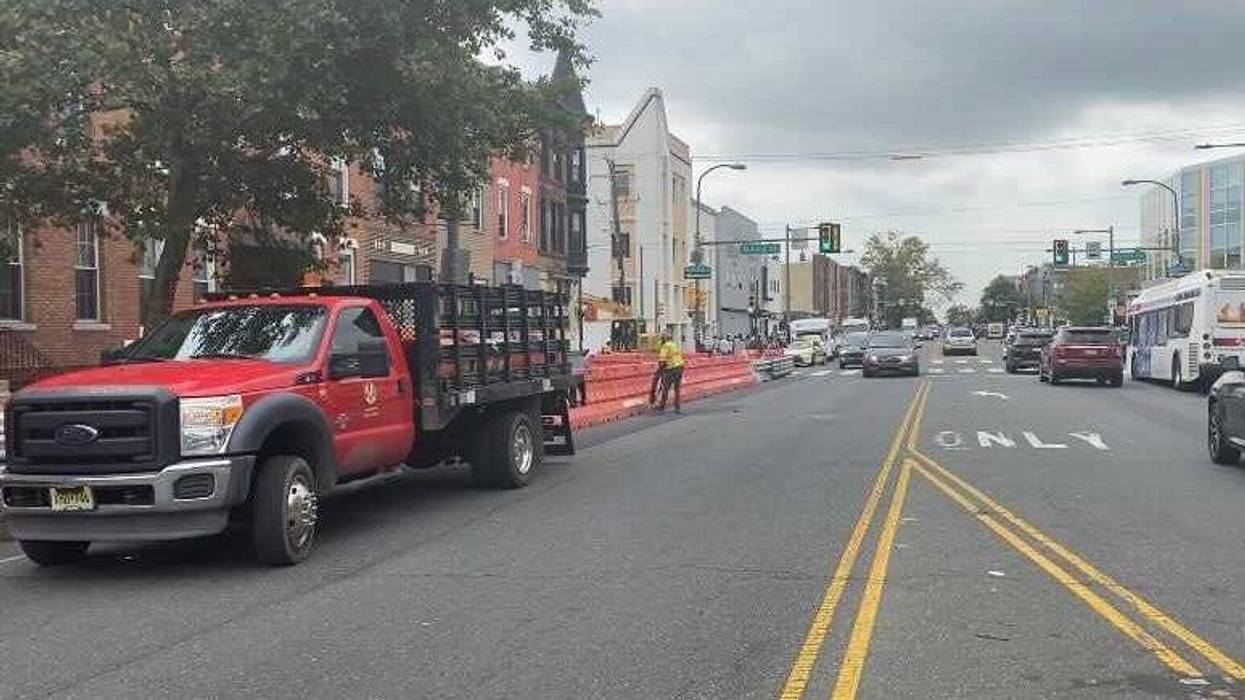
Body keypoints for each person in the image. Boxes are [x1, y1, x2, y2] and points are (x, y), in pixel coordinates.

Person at [656, 332, 685, 413]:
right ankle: (677, 406)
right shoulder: (674, 345)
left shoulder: (665, 346)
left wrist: (660, 369)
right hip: (680, 367)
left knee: (666, 387)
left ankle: (662, 405)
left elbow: (662, 359)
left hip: (671, 368)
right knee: (677, 388)